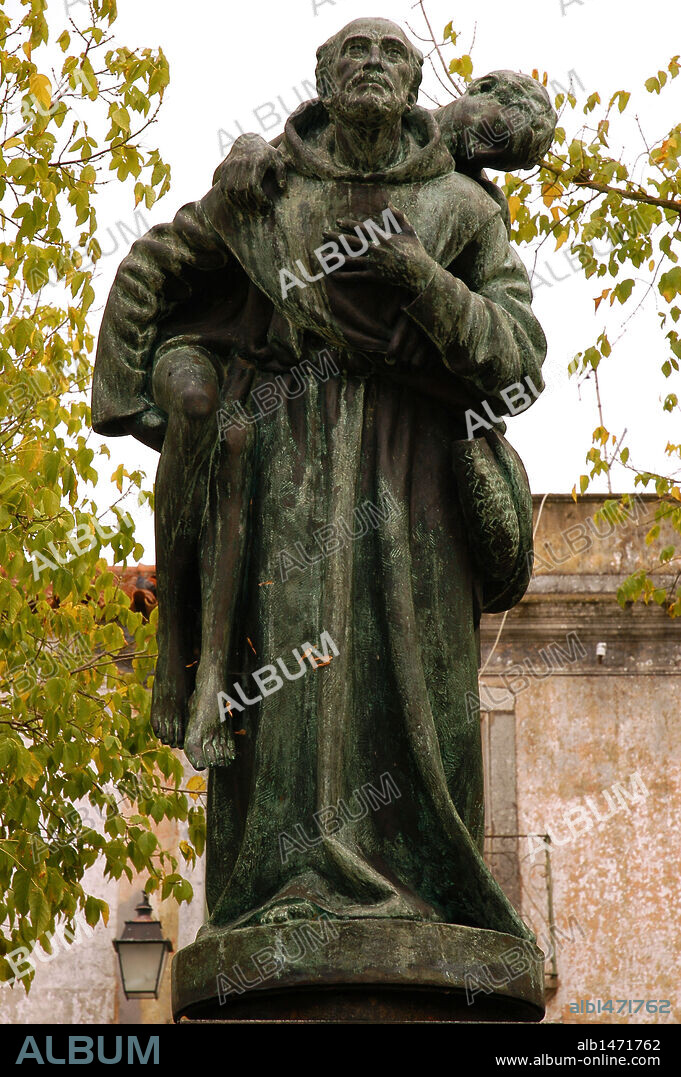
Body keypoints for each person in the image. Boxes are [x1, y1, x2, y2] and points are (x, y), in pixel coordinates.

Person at [92, 18, 548, 942]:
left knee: (424, 704)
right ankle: (286, 891)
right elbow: (155, 264)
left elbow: (519, 360)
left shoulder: (463, 208)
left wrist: (422, 278)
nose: (372, 65)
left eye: (390, 54)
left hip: (420, 486)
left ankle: (434, 908)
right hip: (286, 479)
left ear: (417, 81)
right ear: (323, 80)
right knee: (295, 694)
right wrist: (149, 407)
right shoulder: (264, 190)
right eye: (353, 55)